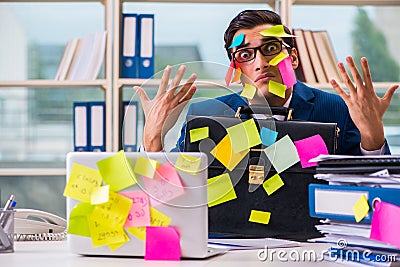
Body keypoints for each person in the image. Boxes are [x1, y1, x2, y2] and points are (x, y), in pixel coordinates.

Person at [134, 9, 398, 155]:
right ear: (235, 69)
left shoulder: (337, 109)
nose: (260, 63)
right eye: (246, 54)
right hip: (225, 244)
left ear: (292, 58)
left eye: (270, 48)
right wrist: (152, 139)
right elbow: (174, 192)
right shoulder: (206, 115)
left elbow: (369, 192)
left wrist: (373, 138)